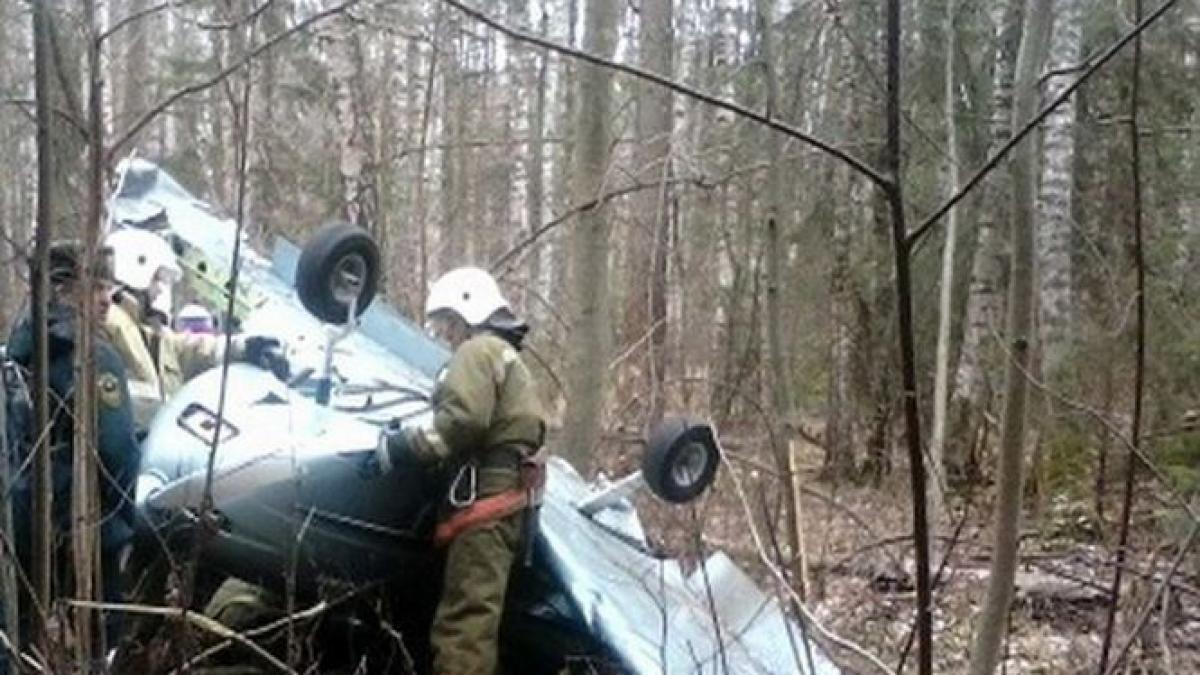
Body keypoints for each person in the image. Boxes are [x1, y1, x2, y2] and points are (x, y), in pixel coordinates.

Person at [378, 266, 546, 675]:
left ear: (466, 313)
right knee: (475, 616)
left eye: (447, 325)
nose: (445, 336)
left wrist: (407, 447)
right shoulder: (508, 359)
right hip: (504, 502)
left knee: (464, 628)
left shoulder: (478, 351)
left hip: (485, 503)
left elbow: (465, 420)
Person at [4, 242, 141, 658]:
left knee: (25, 641)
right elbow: (116, 453)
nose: (106, 300)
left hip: (28, 525)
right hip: (86, 534)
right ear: (64, 289)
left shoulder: (23, 345)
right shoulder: (93, 356)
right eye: (96, 287)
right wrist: (122, 531)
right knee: (104, 647)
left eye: (109, 288)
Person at [103, 228, 288, 429]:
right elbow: (123, 399)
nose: (159, 290)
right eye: (157, 279)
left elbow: (187, 350)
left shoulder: (146, 330)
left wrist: (242, 347)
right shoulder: (111, 323)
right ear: (135, 270)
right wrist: (171, 415)